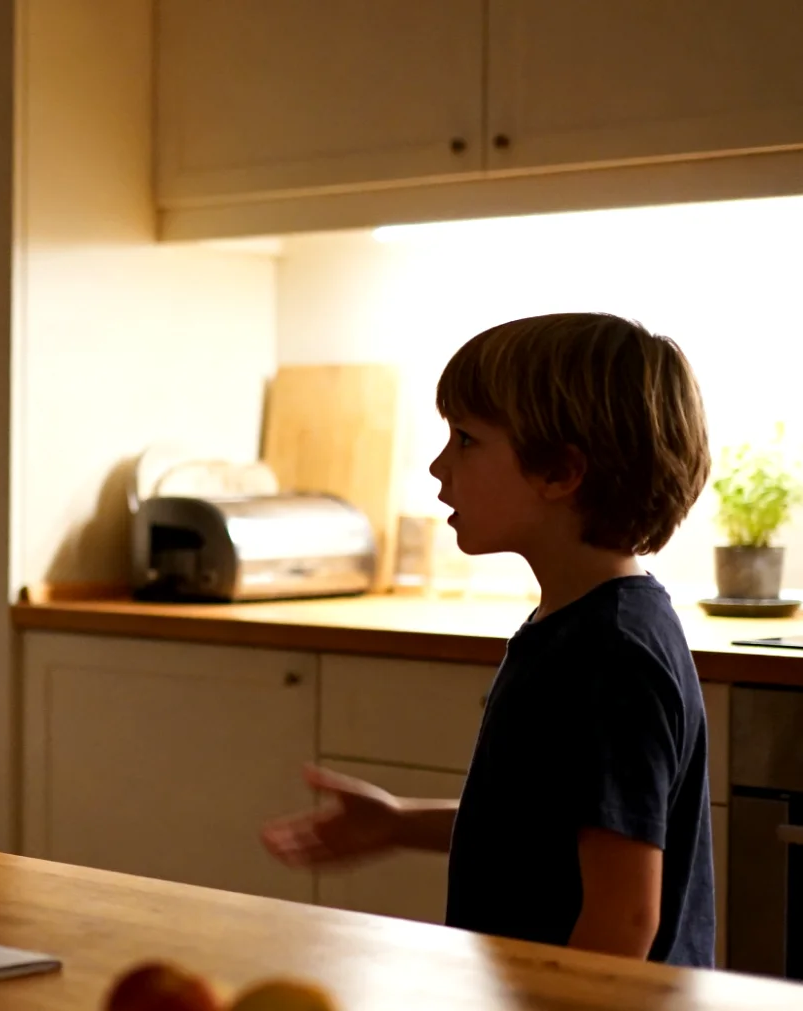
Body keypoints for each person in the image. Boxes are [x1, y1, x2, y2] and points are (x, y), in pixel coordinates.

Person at [262, 313, 714, 966]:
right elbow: (550, 824)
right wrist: (400, 822)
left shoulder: (613, 655)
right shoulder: (576, 626)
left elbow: (625, 918)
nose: (438, 465)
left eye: (466, 439)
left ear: (560, 471)